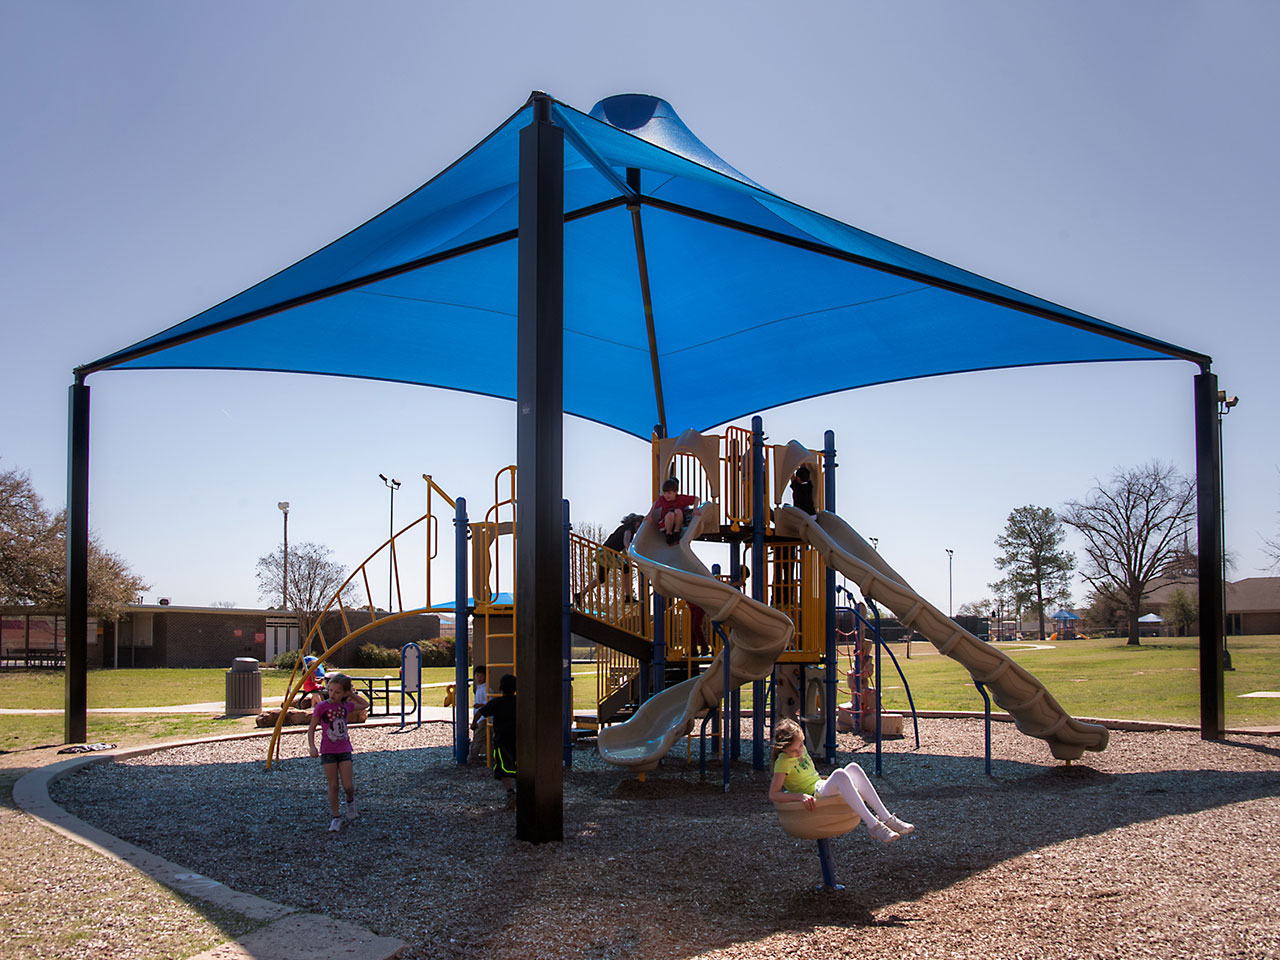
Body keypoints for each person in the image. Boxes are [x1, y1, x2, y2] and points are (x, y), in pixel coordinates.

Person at [768, 718, 913, 844]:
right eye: (793, 750)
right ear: (783, 749)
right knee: (839, 774)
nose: (799, 751)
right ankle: (873, 826)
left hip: (819, 786)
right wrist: (800, 796)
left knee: (853, 768)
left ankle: (887, 818)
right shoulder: (783, 762)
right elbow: (774, 794)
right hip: (812, 793)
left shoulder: (802, 748)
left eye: (800, 745)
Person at [308, 674, 369, 832]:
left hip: (344, 749)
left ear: (344, 693)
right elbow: (312, 728)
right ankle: (336, 817)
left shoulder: (346, 706)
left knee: (348, 785)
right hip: (328, 750)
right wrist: (312, 746)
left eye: (337, 692)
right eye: (331, 690)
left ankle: (350, 802)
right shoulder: (321, 706)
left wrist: (350, 694)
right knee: (333, 785)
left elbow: (365, 704)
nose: (333, 695)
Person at [576, 513, 644, 607]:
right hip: (608, 553)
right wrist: (632, 556)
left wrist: (628, 561)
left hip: (604, 552)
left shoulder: (623, 528)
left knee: (601, 578)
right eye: (640, 525)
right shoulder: (629, 529)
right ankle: (628, 597)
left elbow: (624, 549)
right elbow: (626, 543)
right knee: (626, 570)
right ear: (636, 523)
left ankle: (580, 594)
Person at [476, 673, 517, 809]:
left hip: (502, 740)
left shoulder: (496, 703)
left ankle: (510, 793)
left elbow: (480, 712)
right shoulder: (521, 702)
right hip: (520, 739)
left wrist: (473, 724)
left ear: (500, 688)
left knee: (503, 768)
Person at [650, 478, 699, 545]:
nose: (667, 496)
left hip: (678, 524)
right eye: (665, 493)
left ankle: (676, 531)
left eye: (669, 493)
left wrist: (695, 509)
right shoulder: (662, 499)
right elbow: (655, 504)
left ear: (676, 492)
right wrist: (649, 515)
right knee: (670, 514)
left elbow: (696, 498)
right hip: (666, 525)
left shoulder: (680, 499)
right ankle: (668, 534)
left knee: (678, 511)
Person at [467, 665, 489, 765]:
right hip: (479, 718)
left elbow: (490, 704)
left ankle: (473, 757)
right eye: (477, 676)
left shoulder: (487, 689)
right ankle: (490, 757)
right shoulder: (479, 688)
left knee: (478, 738)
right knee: (485, 738)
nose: (479, 678)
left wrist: (480, 705)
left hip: (484, 718)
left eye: (481, 676)